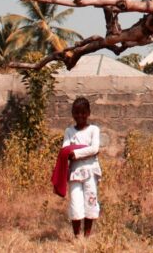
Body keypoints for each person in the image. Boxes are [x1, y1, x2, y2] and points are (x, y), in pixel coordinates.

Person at [62, 97, 101, 239]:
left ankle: (87, 236)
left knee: (90, 201)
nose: (80, 116)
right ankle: (77, 236)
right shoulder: (69, 131)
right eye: (76, 113)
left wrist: (76, 153)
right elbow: (65, 151)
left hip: (91, 172)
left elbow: (95, 149)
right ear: (72, 113)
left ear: (88, 113)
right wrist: (84, 151)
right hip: (74, 173)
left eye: (83, 113)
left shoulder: (94, 130)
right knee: (75, 203)